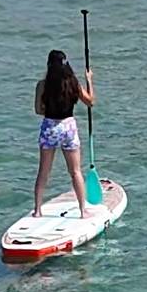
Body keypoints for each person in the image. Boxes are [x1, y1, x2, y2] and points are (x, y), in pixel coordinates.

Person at [32, 48, 96, 219]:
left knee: (43, 172)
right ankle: (83, 211)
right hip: (68, 128)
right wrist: (89, 80)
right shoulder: (73, 83)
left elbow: (38, 110)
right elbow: (90, 102)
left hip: (49, 128)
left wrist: (49, 109)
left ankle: (37, 210)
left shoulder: (42, 85)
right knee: (75, 171)